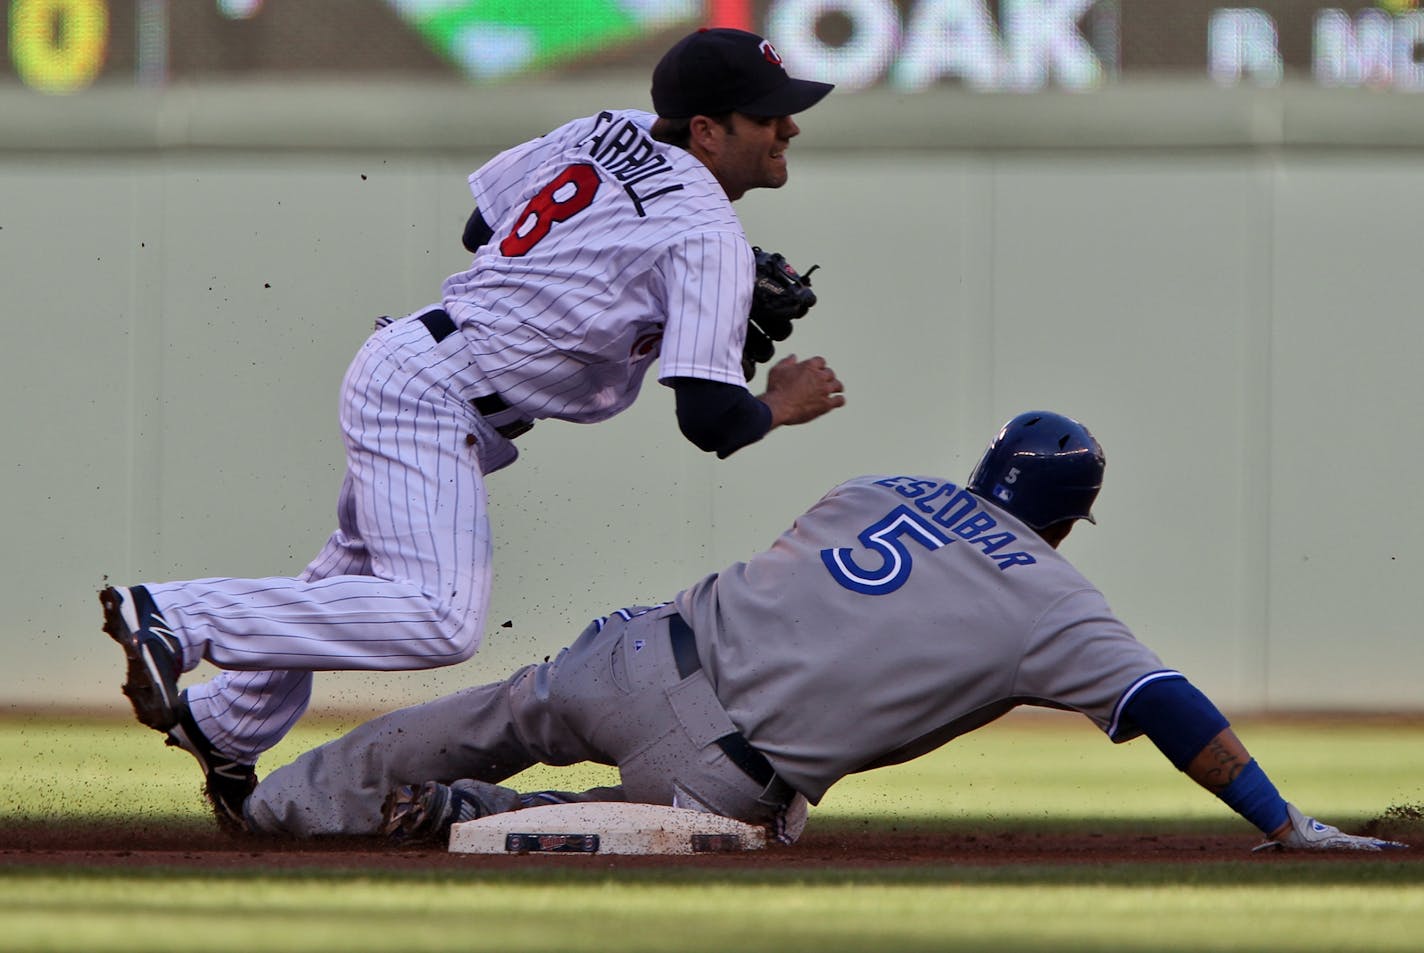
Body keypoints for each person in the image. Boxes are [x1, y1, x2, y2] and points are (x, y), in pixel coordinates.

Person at [99, 28, 846, 832]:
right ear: (707, 129)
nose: (789, 129)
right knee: (438, 616)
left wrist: (637, 292)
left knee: (344, 582)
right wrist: (782, 399)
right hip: (436, 396)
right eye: (768, 116)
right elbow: (711, 420)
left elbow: (478, 228)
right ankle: (180, 616)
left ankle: (225, 722)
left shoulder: (608, 127)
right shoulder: (706, 235)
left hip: (421, 365)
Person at [241, 412, 1404, 852]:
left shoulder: (878, 486)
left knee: (493, 710)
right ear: (1069, 519)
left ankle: (279, 801)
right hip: (715, 766)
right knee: (752, 822)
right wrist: (1281, 819)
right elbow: (1165, 702)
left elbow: (805, 588)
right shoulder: (1052, 598)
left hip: (639, 647)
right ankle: (471, 825)